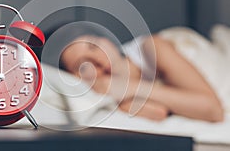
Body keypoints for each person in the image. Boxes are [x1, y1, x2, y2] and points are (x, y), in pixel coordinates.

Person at [59, 33, 224, 122]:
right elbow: (159, 112)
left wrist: (130, 88)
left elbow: (213, 110)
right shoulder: (111, 94)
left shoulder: (151, 48)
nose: (99, 60)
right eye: (84, 65)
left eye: (93, 46)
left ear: (105, 40)